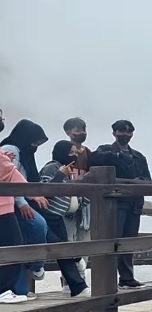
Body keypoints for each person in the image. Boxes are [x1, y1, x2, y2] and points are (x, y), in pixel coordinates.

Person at [89, 119, 150, 289]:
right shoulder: (106, 150)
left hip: (134, 204)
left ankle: (126, 278)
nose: (125, 135)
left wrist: (139, 183)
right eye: (121, 131)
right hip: (115, 205)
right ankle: (107, 279)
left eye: (129, 132)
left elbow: (148, 179)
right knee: (112, 242)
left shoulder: (139, 156)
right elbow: (93, 159)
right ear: (114, 133)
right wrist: (116, 156)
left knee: (128, 242)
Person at [0, 120, 51, 297]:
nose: (36, 146)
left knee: (17, 245)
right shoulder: (11, 148)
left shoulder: (21, 151)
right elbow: (9, 173)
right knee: (33, 230)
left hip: (10, 203)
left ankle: (18, 290)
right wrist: (27, 198)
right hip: (9, 203)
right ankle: (35, 267)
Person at [38, 140, 91, 297]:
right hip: (49, 215)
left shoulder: (69, 170)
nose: (74, 155)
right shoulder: (51, 167)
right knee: (63, 250)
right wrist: (60, 174)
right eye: (71, 152)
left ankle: (76, 286)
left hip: (59, 217)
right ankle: (77, 286)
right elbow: (44, 190)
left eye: (75, 153)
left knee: (64, 250)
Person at [60, 117, 92, 282]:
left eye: (83, 129)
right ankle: (69, 279)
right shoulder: (63, 150)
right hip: (67, 203)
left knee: (85, 239)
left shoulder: (89, 152)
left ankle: (81, 277)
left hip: (85, 204)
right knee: (69, 239)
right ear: (68, 132)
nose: (81, 133)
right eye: (77, 130)